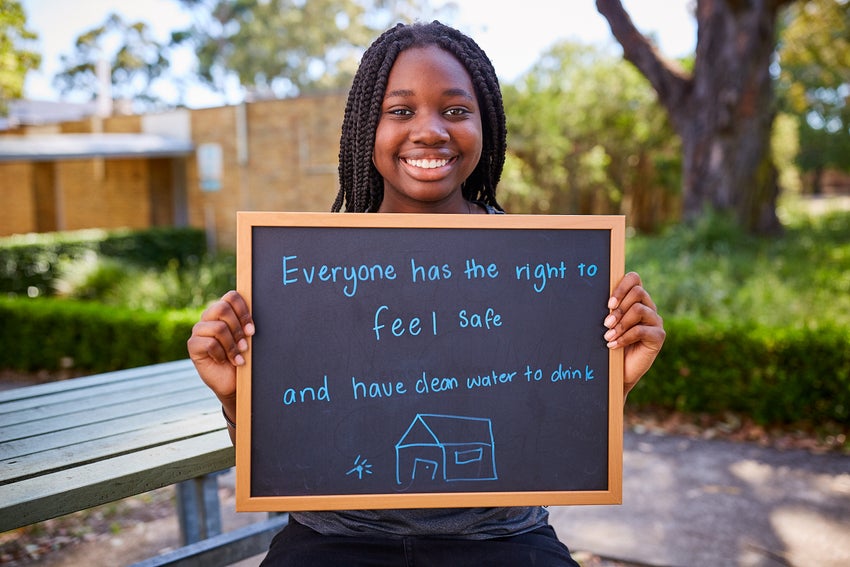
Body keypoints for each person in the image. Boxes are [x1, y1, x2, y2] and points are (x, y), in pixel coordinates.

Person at [187, 21, 665, 566]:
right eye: (401, 111)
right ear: (368, 125)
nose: (430, 130)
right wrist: (234, 396)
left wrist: (611, 385)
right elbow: (291, 448)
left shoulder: (543, 266)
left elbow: (545, 434)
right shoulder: (307, 269)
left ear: (486, 127)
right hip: (334, 539)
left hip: (501, 540)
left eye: (456, 110)